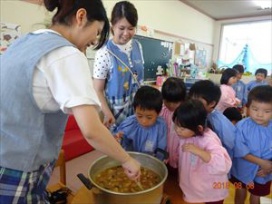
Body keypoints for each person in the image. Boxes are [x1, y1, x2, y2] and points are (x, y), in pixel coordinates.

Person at [0, 0, 141, 202]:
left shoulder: (27, 40)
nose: (94, 40)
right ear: (81, 17)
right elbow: (91, 130)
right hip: (16, 162)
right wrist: (127, 160)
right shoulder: (66, 54)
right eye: (97, 30)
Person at [93, 1, 144, 133]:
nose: (126, 33)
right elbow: (97, 90)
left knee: (137, 146)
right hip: (115, 113)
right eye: (121, 28)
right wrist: (107, 113)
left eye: (131, 28)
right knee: (118, 148)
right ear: (112, 27)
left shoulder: (138, 46)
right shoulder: (104, 52)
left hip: (138, 109)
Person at [172, 99, 232, 204]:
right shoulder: (185, 134)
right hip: (194, 186)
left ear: (199, 128)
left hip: (211, 191)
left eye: (181, 128)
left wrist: (199, 151)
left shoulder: (209, 139)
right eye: (176, 125)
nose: (177, 130)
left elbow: (223, 163)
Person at [230, 85, 272, 204]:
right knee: (240, 190)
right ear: (247, 108)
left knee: (256, 195)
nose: (260, 114)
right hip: (242, 169)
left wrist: (270, 166)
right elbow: (240, 150)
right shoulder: (241, 126)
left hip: (264, 172)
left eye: (267, 111)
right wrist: (262, 162)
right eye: (255, 109)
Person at [115, 86, 167, 161]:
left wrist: (160, 160)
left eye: (149, 117)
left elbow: (161, 148)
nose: (144, 121)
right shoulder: (129, 123)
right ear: (134, 110)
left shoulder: (161, 126)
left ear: (158, 113)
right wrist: (120, 139)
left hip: (151, 162)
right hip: (131, 160)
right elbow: (123, 140)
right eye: (139, 116)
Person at [188, 80, 236, 160]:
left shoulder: (219, 122)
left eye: (197, 101)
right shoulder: (197, 113)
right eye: (190, 99)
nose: (192, 104)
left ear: (211, 104)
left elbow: (230, 145)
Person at [160, 77, 187, 168]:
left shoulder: (185, 114)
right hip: (165, 152)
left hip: (180, 153)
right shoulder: (161, 111)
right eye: (167, 101)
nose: (171, 105)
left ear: (183, 100)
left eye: (175, 102)